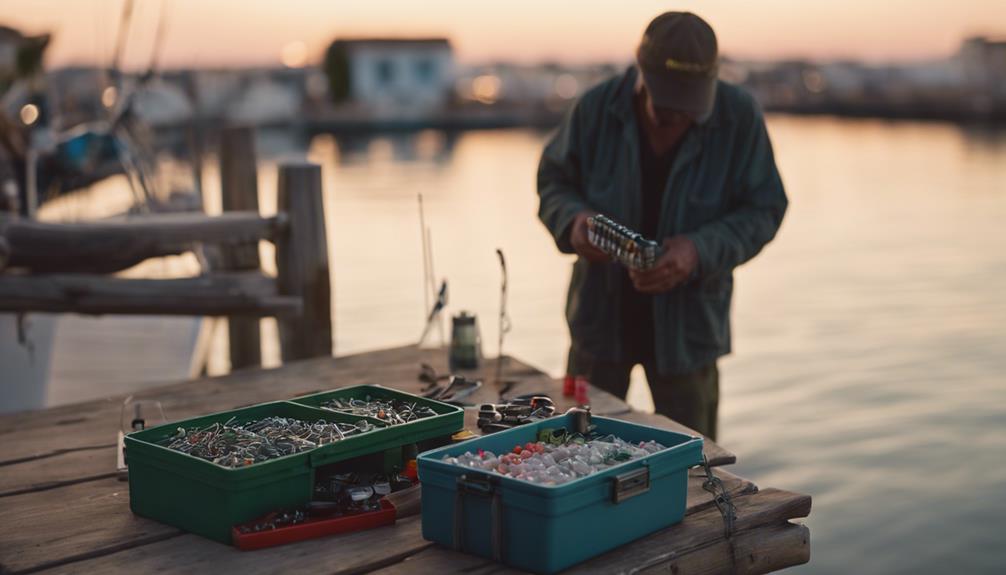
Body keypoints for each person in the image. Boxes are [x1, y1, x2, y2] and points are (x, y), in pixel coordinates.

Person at [536, 11, 788, 440]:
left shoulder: (739, 116)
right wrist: (575, 224)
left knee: (696, 467)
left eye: (690, 106)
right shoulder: (595, 108)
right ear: (641, 73)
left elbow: (765, 209)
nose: (678, 116)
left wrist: (697, 251)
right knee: (574, 450)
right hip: (599, 324)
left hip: (689, 334)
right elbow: (553, 182)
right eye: (667, 103)